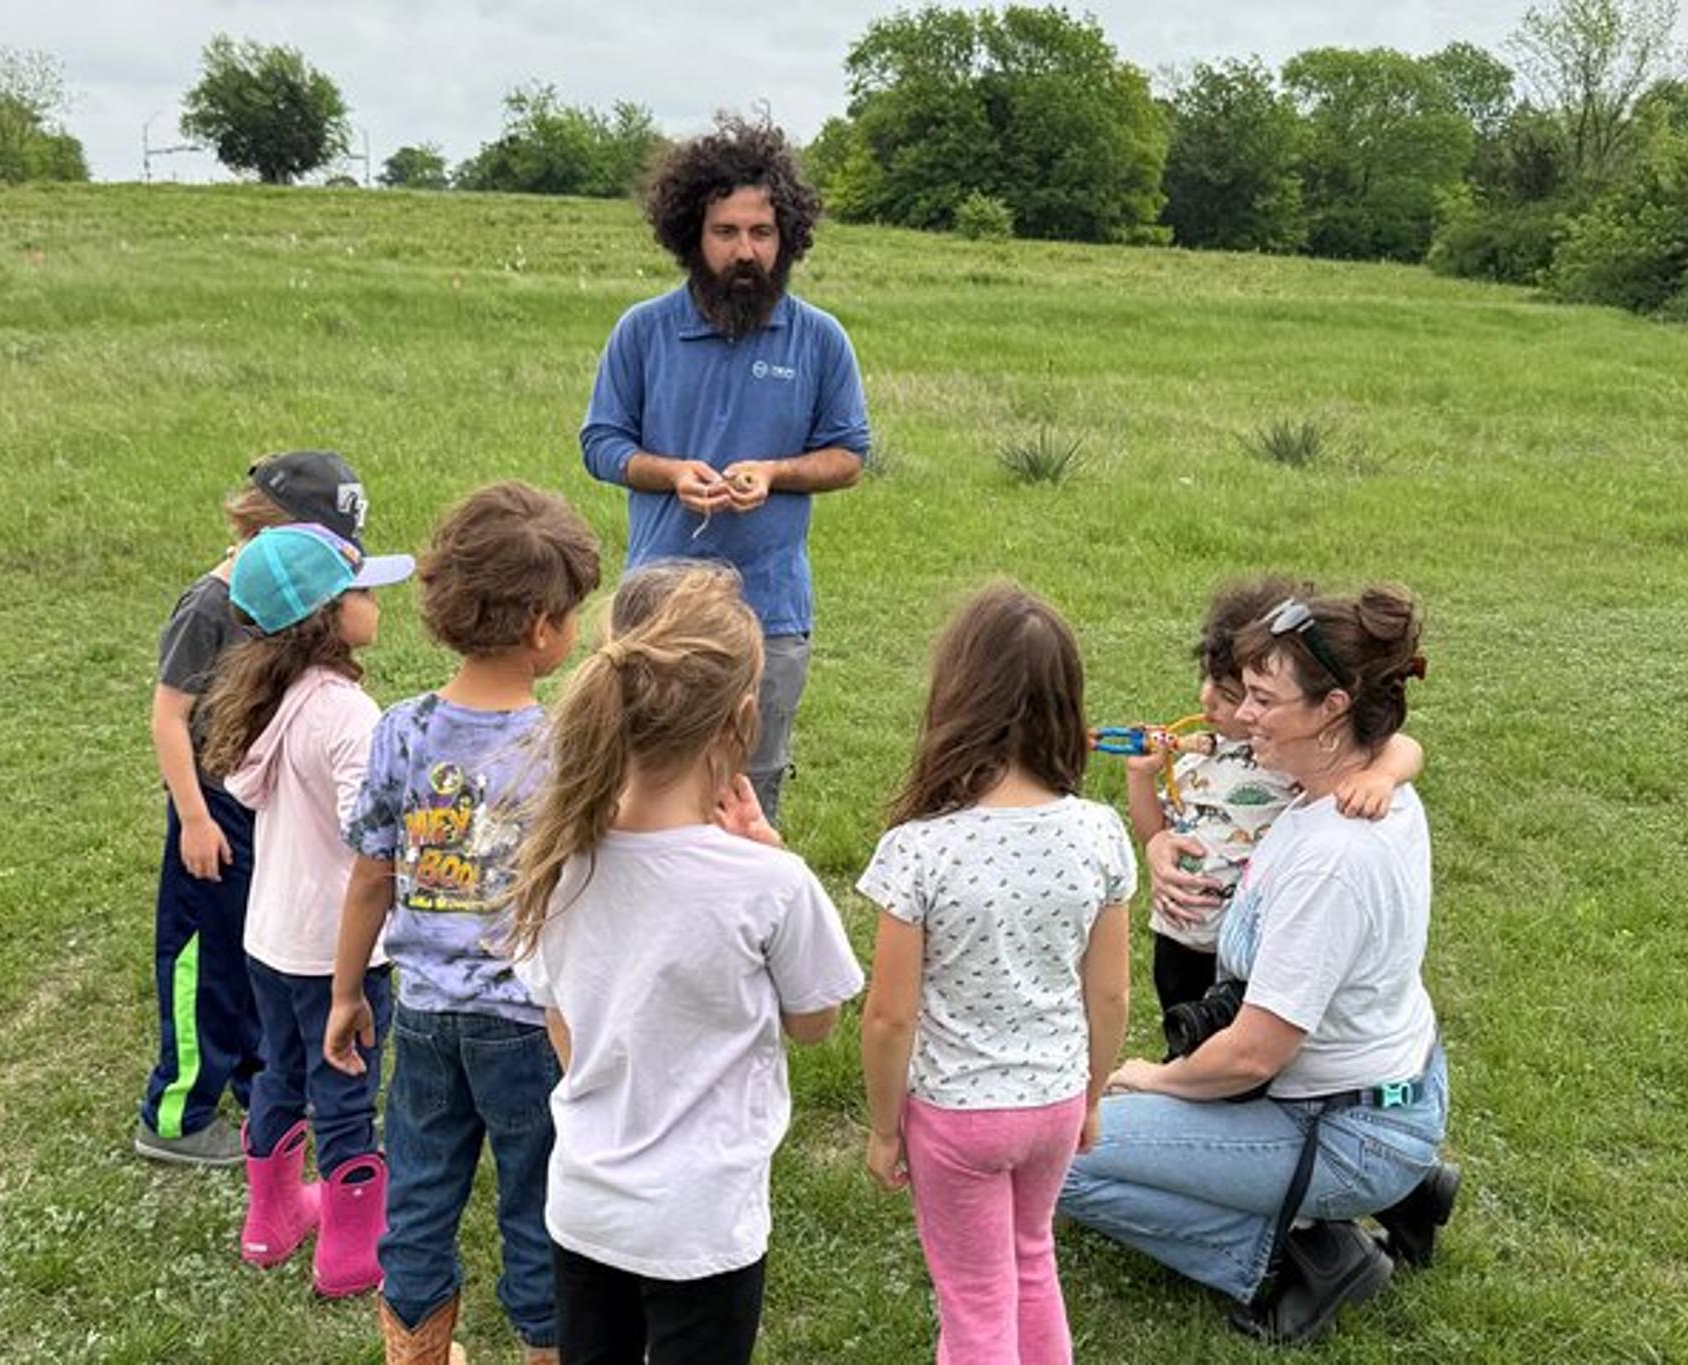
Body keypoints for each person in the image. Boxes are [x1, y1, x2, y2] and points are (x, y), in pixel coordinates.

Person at [1059, 586, 1459, 1347]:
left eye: (1265, 700)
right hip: (1379, 1090)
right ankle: (1394, 1193)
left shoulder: (1334, 856)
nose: (1241, 714)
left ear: (1333, 706)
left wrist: (1152, 1074)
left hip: (1339, 1124)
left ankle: (1303, 1251)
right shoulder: (1347, 786)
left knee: (1058, 1154)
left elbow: (1254, 1053)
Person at [508, 567, 865, 1364]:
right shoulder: (769, 884)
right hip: (704, 1223)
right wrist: (772, 854)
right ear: (742, 719)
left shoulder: (557, 859)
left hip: (585, 1202)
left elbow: (557, 1013)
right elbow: (815, 1022)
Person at [325, 483, 601, 1365]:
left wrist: (344, 992)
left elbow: (371, 875)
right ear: (540, 627)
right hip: (532, 1025)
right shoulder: (567, 746)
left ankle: (417, 1352)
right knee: (537, 1206)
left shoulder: (401, 731)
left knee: (420, 1199)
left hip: (427, 1017)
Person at [858, 584, 1134, 1365]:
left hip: (955, 1117)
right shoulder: (1101, 835)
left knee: (976, 1301)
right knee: (1032, 1261)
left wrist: (884, 1129)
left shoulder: (920, 848)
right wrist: (1089, 1094)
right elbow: (1109, 993)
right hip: (1052, 1102)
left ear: (957, 698)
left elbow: (888, 1018)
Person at [580, 115, 870, 824]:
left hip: (769, 610)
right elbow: (601, 442)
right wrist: (670, 471)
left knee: (751, 783)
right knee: (635, 776)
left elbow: (848, 455)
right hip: (655, 605)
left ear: (788, 237)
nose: (745, 251)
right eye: (727, 232)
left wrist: (774, 471)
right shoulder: (642, 331)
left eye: (761, 233)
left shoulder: (820, 339)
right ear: (692, 235)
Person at [135, 450, 372, 1167]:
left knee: (259, 948)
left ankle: (254, 1083)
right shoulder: (210, 604)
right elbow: (168, 718)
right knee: (204, 958)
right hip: (211, 807)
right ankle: (175, 1112)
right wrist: (196, 819)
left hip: (261, 797)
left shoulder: (292, 604)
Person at [202, 522, 414, 1298]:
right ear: (328, 613)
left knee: (280, 1073)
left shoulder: (270, 696)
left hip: (271, 938)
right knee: (347, 1089)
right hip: (338, 951)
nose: (374, 601)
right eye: (361, 590)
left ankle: (273, 1219)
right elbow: (374, 842)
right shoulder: (350, 714)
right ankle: (352, 1253)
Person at [1122, 579, 1423, 1017]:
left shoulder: (1294, 763)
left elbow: (1399, 744)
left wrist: (1381, 777)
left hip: (1246, 953)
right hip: (1182, 936)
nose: (1217, 704)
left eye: (1250, 697)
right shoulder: (1200, 756)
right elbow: (1166, 828)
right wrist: (1154, 840)